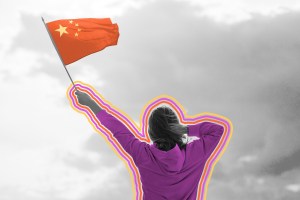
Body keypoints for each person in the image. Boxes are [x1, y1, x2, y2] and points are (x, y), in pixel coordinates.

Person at [75, 90, 224, 200]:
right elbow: (218, 130)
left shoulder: (142, 154)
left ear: (151, 132)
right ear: (175, 127)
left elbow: (118, 130)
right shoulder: (195, 154)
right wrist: (184, 128)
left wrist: (91, 105)